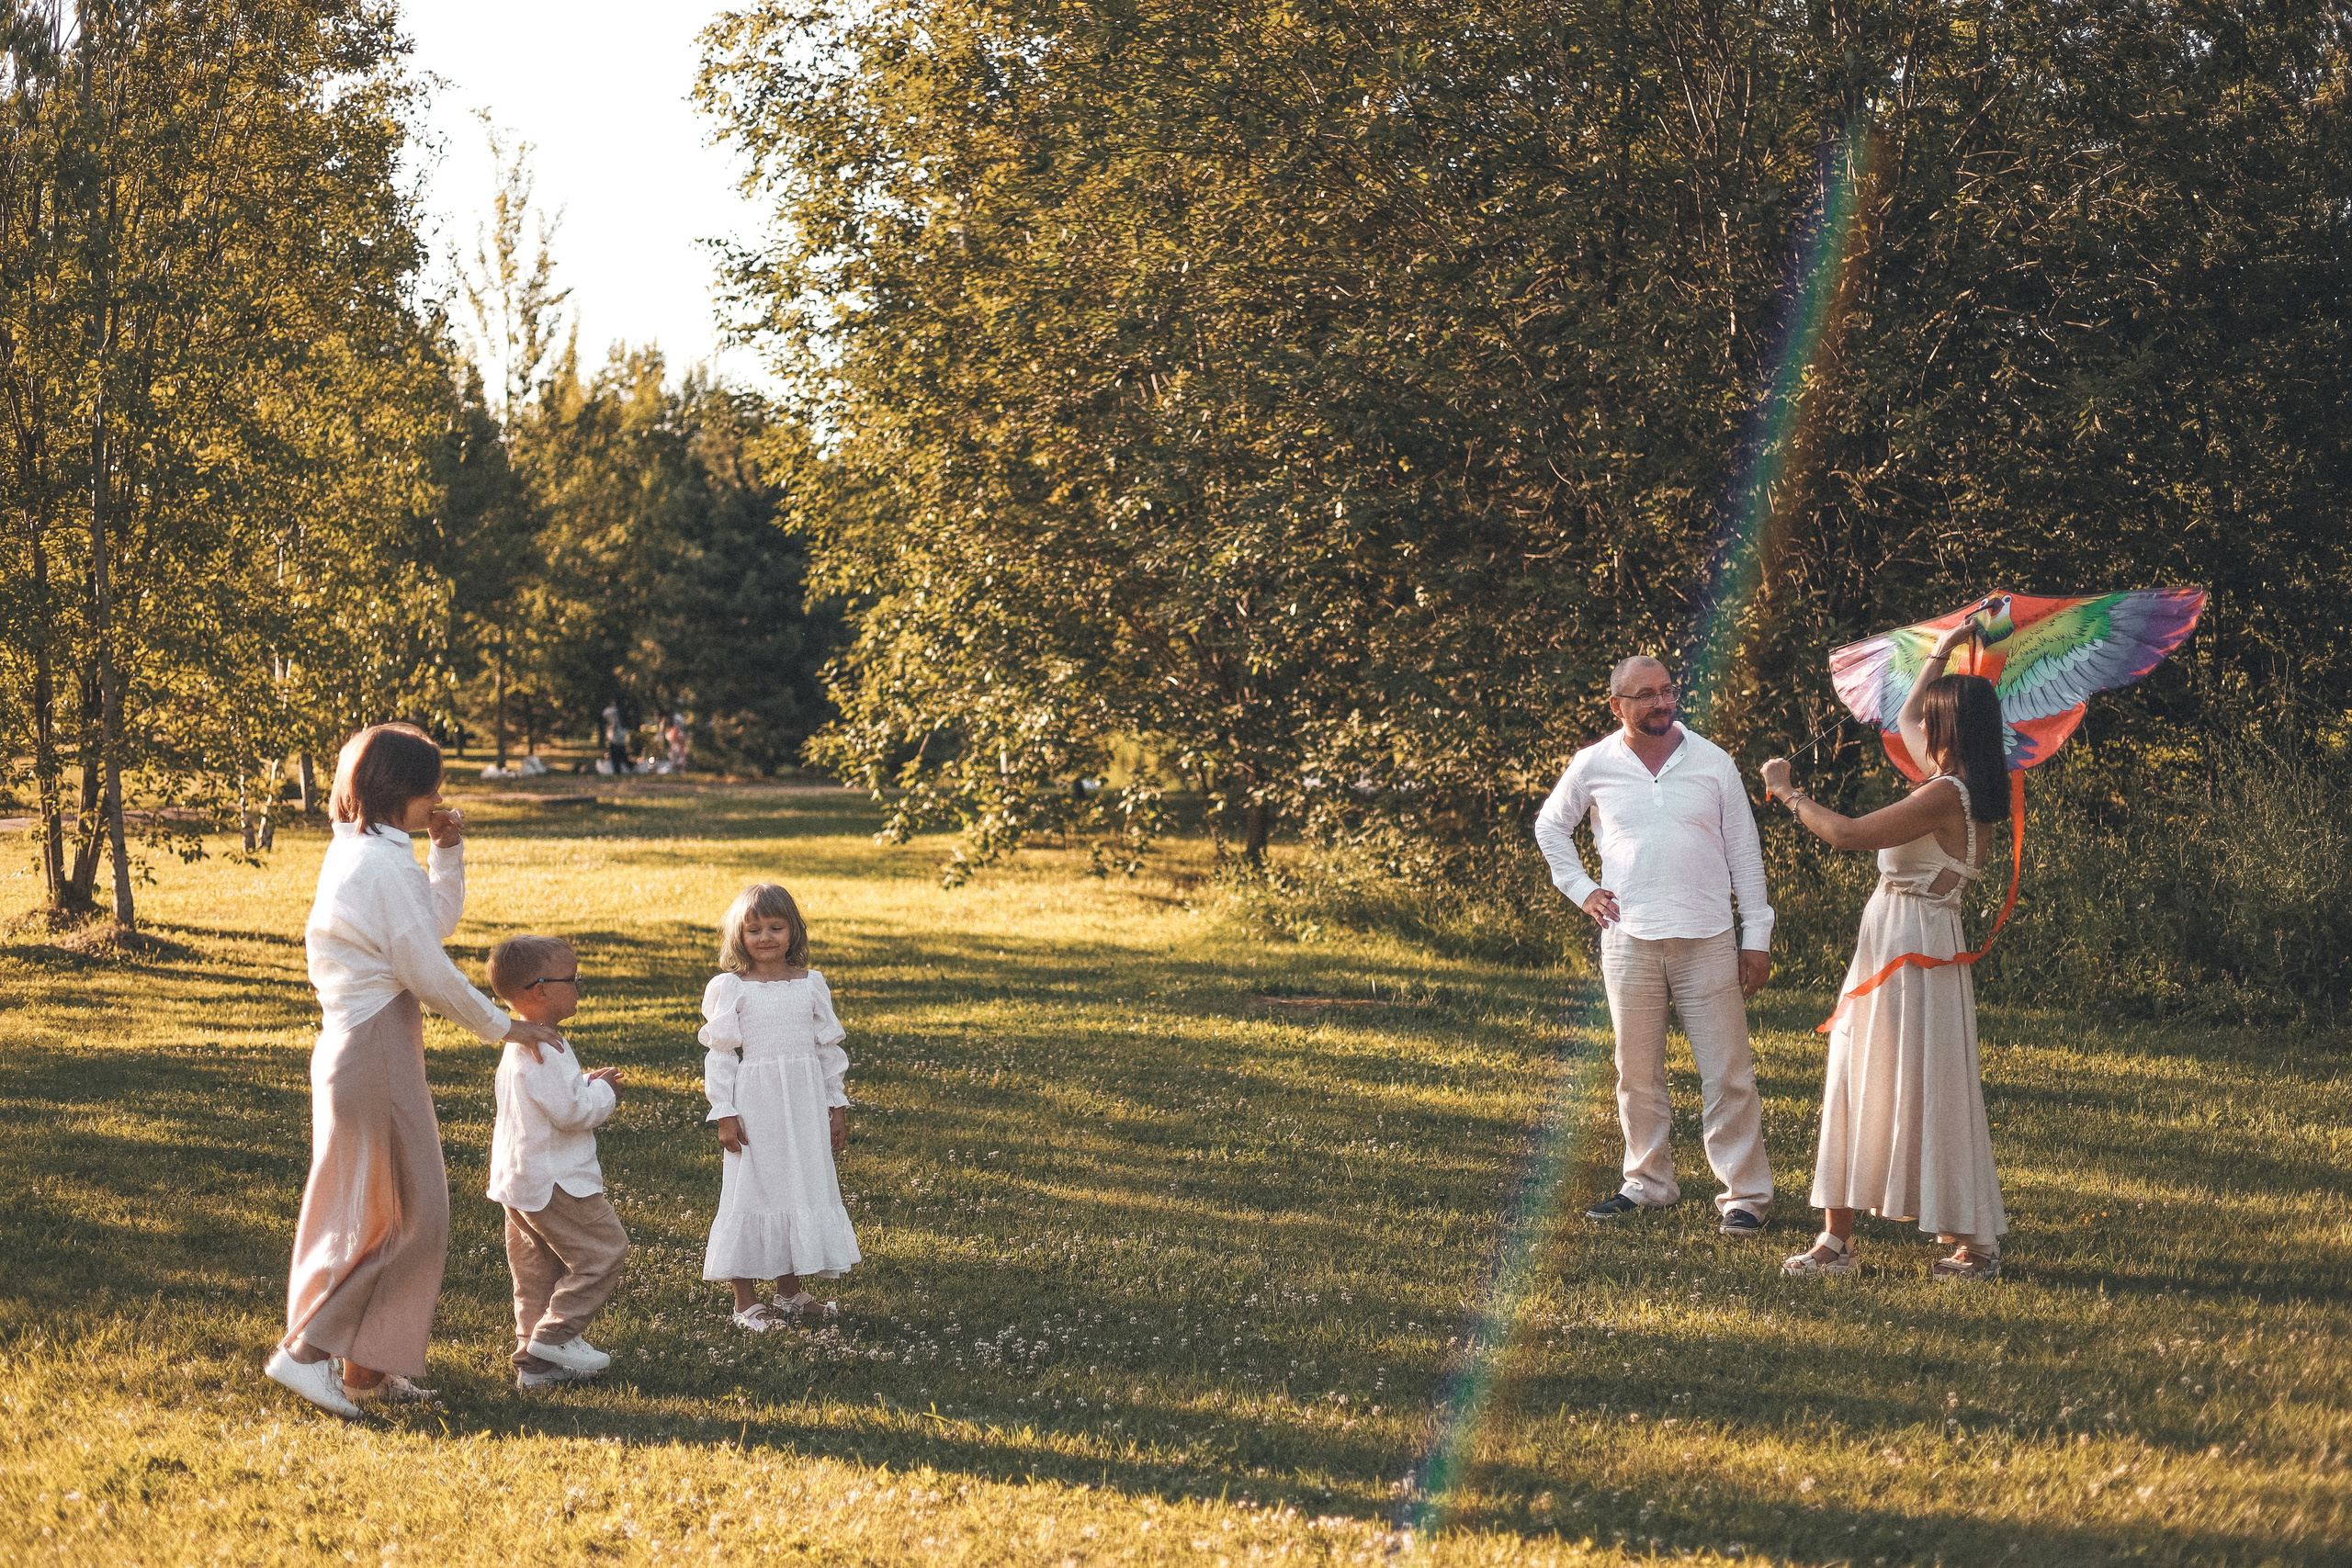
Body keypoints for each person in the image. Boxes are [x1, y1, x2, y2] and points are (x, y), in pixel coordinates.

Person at [266, 724, 567, 1419]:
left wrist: (447, 851)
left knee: (377, 1211)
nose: (439, 796)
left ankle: (366, 1370)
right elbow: (426, 968)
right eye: (429, 785)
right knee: (415, 1217)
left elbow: (426, 927)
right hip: (375, 1045)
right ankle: (307, 1350)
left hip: (363, 1045)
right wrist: (505, 1025)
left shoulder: (363, 851)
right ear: (399, 790)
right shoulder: (379, 864)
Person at [1760, 629, 2010, 1281]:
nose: (1916, 729)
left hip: (1911, 950)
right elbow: (1905, 716)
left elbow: (1845, 834)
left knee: (1922, 1085)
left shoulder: (1942, 796)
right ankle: (1835, 1241)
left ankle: (1975, 1249)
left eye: (1930, 722)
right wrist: (1946, 647)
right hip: (1900, 943)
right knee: (1858, 1072)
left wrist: (1787, 791)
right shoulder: (1967, 785)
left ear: (1948, 731)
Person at [1533, 656, 1777, 1235]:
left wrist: (1757, 937)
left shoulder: (1713, 762)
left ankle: (1745, 1195)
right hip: (1628, 939)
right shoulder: (1593, 764)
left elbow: (1745, 854)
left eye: (1668, 690)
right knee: (1635, 1072)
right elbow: (1550, 827)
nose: (1662, 702)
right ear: (1617, 705)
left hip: (1709, 937)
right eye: (1646, 695)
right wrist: (1583, 890)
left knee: (1728, 1072)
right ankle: (1647, 1184)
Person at [698, 883, 861, 1328]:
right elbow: (721, 1054)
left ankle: (790, 1293)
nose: (766, 937)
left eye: (776, 927)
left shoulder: (810, 984)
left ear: (794, 931)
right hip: (757, 1104)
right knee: (753, 1188)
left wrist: (836, 1104)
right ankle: (744, 1300)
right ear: (739, 936)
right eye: (754, 930)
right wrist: (725, 1111)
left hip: (805, 1103)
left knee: (796, 1184)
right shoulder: (731, 987)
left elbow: (827, 1048)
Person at [484, 934, 629, 1388]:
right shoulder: (543, 1048)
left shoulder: (526, 1043)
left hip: (519, 1180)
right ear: (540, 990)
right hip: (557, 1182)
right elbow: (571, 1113)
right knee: (604, 1252)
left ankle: (536, 1369)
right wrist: (604, 1093)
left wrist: (584, 1080)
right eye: (573, 978)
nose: (580, 985)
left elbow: (551, 1098)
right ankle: (556, 1334)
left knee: (536, 1273)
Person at [601, 702, 631, 775]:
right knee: (620, 753)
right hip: (619, 735)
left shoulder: (612, 711)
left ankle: (619, 769)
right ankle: (624, 768)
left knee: (617, 754)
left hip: (617, 736)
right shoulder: (621, 711)